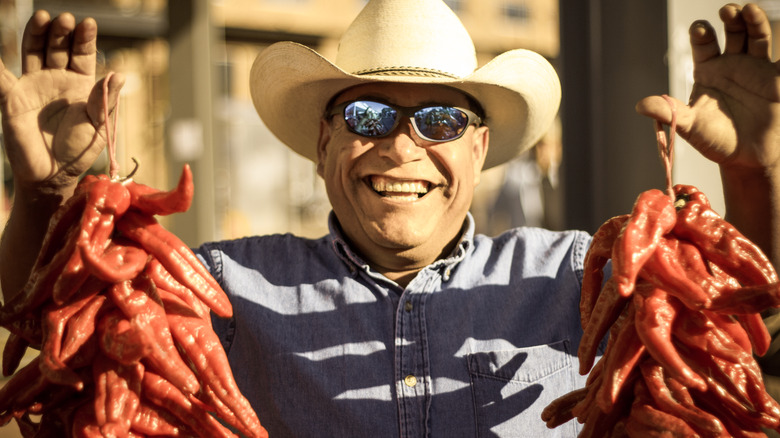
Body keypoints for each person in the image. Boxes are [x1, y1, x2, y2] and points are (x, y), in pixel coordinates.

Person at [1, 0, 779, 436]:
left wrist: (758, 174)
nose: (401, 145)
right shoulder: (225, 288)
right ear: (323, 142)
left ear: (479, 150)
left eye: (440, 120)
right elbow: (60, 330)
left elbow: (740, 325)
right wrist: (47, 196)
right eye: (367, 114)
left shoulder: (576, 275)